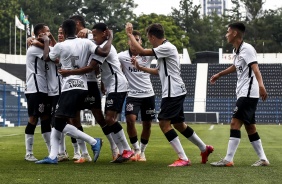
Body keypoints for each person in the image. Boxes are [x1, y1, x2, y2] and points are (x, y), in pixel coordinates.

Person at [126, 22, 214, 167]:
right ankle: (204, 149)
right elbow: (158, 71)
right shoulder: (164, 49)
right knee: (179, 124)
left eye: (149, 39)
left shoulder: (167, 47)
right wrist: (140, 67)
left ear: (153, 37)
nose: (149, 42)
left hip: (173, 92)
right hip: (174, 91)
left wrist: (130, 34)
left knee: (163, 123)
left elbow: (141, 51)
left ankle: (183, 158)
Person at [35, 19, 112, 164]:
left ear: (63, 31)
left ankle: (93, 141)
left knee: (57, 121)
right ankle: (53, 156)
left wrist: (46, 41)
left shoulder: (61, 46)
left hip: (70, 86)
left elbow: (46, 58)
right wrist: (110, 37)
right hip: (83, 86)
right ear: (75, 30)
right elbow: (103, 52)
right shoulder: (86, 43)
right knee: (58, 122)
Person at [209, 22, 269, 167]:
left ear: (235, 33)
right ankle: (263, 159)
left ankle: (228, 159)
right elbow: (235, 66)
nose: (226, 34)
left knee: (234, 123)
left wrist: (261, 85)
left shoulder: (247, 49)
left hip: (248, 93)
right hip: (245, 93)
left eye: (228, 31)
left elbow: (255, 68)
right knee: (250, 127)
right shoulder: (237, 51)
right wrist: (219, 74)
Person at [69, 15, 118, 162]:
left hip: (89, 82)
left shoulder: (92, 36)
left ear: (78, 24)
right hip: (75, 83)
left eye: (74, 26)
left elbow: (98, 61)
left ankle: (114, 148)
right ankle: (84, 154)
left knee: (99, 117)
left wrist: (87, 31)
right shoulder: (71, 40)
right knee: (73, 118)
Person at [91, 23, 134, 163]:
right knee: (109, 119)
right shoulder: (104, 46)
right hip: (112, 86)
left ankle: (127, 150)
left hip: (118, 84)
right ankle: (123, 151)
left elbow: (98, 62)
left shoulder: (107, 48)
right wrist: (103, 84)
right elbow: (104, 68)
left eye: (95, 35)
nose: (93, 38)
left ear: (104, 33)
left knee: (109, 119)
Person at [118, 30, 155, 161]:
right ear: (129, 42)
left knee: (147, 124)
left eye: (137, 39)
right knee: (130, 120)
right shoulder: (122, 56)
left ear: (140, 42)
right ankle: (136, 149)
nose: (134, 42)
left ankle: (143, 151)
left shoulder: (148, 55)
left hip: (148, 94)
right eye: (132, 39)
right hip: (132, 95)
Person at [24, 23, 52, 161]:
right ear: (40, 33)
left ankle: (51, 152)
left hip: (43, 88)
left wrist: (46, 40)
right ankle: (28, 153)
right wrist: (41, 41)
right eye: (47, 31)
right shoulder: (35, 47)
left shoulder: (38, 44)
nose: (49, 33)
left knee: (46, 118)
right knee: (33, 119)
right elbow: (51, 55)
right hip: (35, 88)